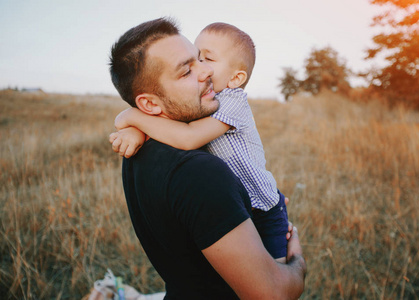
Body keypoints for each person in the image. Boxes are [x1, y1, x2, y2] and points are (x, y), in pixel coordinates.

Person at [109, 17, 306, 299]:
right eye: (187, 70)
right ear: (149, 104)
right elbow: (272, 293)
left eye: (201, 60)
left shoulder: (140, 154)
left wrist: (132, 122)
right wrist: (298, 262)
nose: (205, 72)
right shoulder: (200, 173)